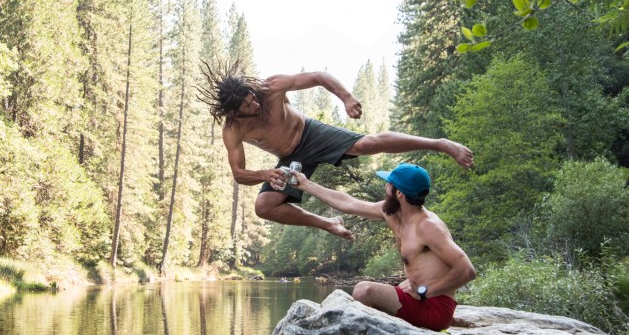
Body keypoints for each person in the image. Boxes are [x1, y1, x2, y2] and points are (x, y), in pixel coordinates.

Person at [197, 62, 473, 239]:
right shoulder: (233, 129)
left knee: (367, 144)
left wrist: (346, 97)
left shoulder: (271, 87)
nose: (254, 106)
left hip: (310, 133)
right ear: (233, 111)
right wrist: (265, 174)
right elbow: (238, 173)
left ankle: (440, 144)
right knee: (264, 207)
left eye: (252, 99)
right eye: (247, 107)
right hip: (291, 159)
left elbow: (318, 75)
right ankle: (328, 223)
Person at [292, 162, 476, 331]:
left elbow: (466, 270)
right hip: (419, 300)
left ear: (399, 193)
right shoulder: (392, 213)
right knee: (366, 296)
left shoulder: (428, 227)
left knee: (364, 290)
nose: (385, 187)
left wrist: (424, 291)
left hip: (435, 307)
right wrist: (306, 184)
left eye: (389, 185)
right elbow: (347, 203)